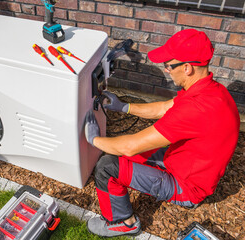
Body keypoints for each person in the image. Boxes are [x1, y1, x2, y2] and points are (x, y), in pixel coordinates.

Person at [84, 29, 240, 237]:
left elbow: (129, 146)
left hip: (187, 187)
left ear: (187, 68)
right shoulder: (212, 91)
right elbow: (165, 108)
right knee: (120, 153)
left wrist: (93, 139)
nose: (166, 70)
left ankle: (122, 223)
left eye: (168, 65)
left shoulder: (196, 109)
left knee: (106, 166)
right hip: (186, 164)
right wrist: (124, 107)